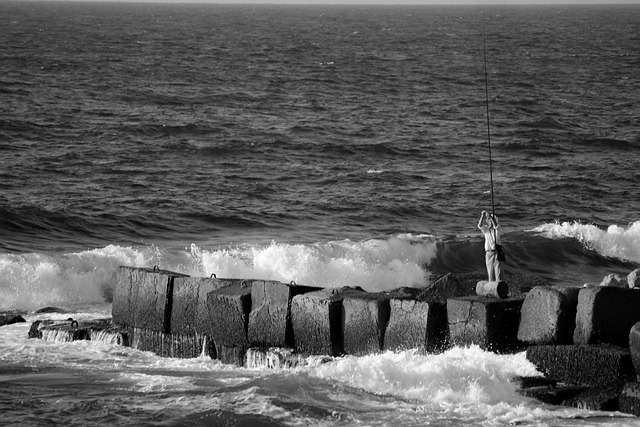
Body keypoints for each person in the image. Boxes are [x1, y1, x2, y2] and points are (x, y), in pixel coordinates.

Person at [478, 210, 502, 282]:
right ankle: (491, 288)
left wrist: (492, 218)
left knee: (498, 272)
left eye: (491, 221)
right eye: (489, 221)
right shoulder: (486, 229)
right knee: (490, 272)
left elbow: (496, 226)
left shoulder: (498, 229)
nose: (490, 222)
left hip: (498, 251)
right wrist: (483, 215)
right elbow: (479, 225)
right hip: (488, 253)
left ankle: (499, 286)